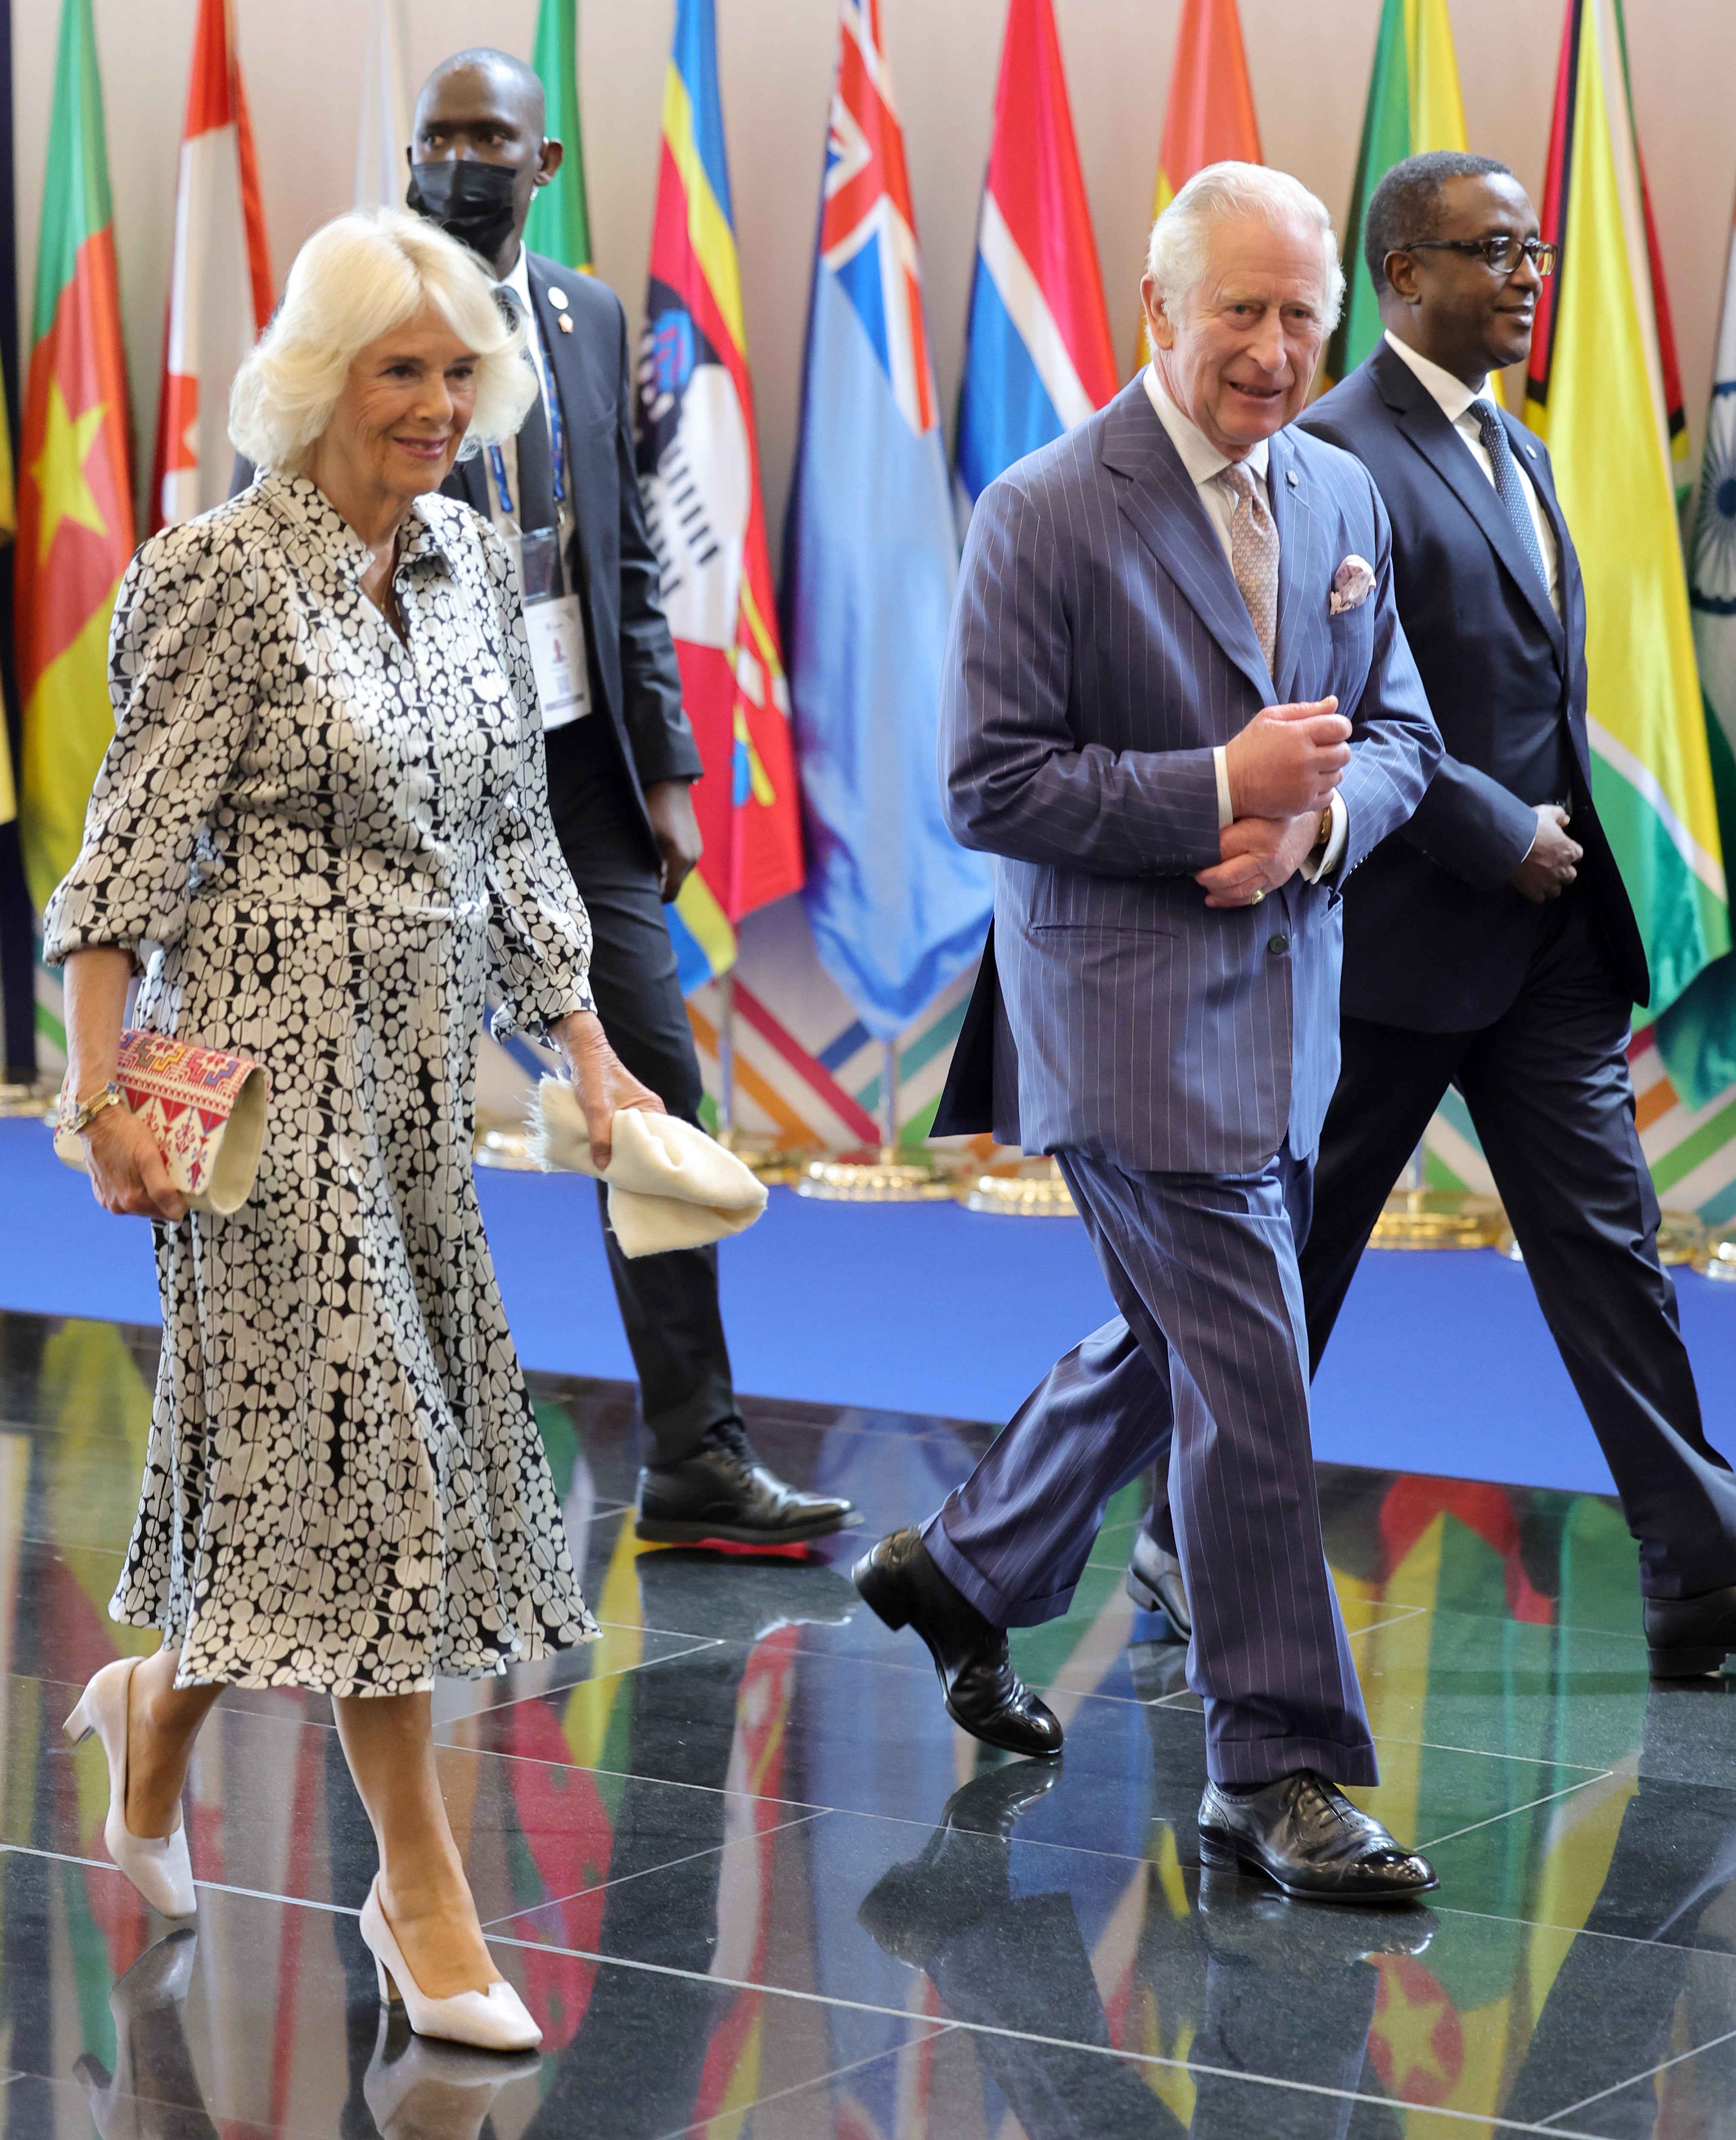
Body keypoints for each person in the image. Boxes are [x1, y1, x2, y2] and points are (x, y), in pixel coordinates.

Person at [46, 209, 653, 2052]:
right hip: (251, 1085)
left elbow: (517, 836)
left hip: (414, 1086)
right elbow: (127, 855)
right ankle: (422, 1895)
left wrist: (591, 1047)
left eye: (461, 371)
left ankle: (153, 1714)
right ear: (316, 379)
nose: (440, 405)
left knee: (317, 1470)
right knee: (381, 1466)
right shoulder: (218, 575)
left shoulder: (475, 560)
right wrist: (95, 1094)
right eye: (403, 368)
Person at [856, 163, 1444, 1903]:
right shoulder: (1045, 507)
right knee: (1253, 1374)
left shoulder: (1341, 487)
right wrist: (1214, 786)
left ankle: (963, 1570)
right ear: (1156, 310)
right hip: (1115, 1022)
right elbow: (990, 780)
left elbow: (1400, 728)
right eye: (1242, 313)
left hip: (1283, 1019)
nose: (1274, 350)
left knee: (1178, 1343)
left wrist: (1314, 827)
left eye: (1302, 316)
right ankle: (1280, 1767)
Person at [1127, 152, 1736, 1674]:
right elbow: (1325, 701)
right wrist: (1490, 832)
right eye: (1493, 252)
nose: (1528, 276)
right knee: (1294, 1265)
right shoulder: (1330, 452)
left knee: (1609, 1249)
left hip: (1536, 956)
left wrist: (1542, 852)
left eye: (1536, 252)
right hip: (1386, 942)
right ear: (1402, 274)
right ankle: (1173, 1538)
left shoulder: (1511, 452)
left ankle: (1701, 1562)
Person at [403, 48, 856, 1551]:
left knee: (650, 1096)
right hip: (404, 780)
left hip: (582, 775)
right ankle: (385, 1465)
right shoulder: (362, 305)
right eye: (436, 136)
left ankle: (696, 1459)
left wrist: (664, 772)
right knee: (388, 1118)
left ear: (541, 167)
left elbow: (630, 571)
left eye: (489, 140)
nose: (459, 161)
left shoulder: (592, 316)